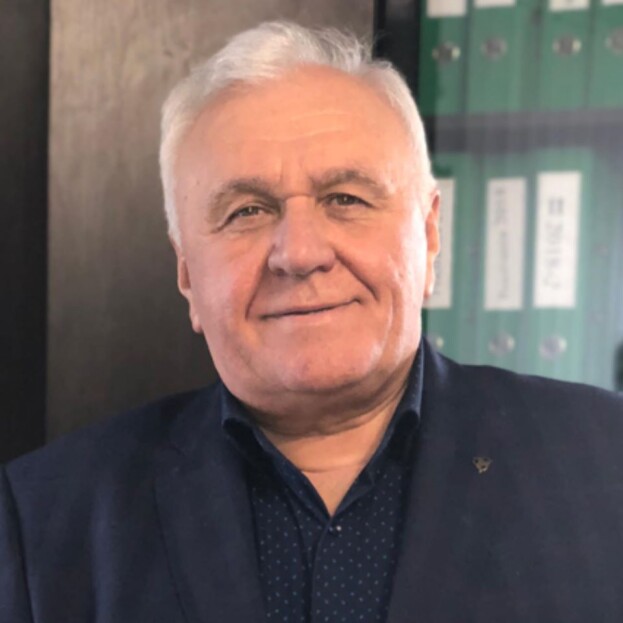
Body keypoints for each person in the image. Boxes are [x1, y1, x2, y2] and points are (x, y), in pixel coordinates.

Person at [1, 21, 623, 623]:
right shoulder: (41, 519)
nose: (299, 254)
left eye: (345, 199)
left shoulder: (604, 459)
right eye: (247, 211)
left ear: (429, 236)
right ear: (187, 272)